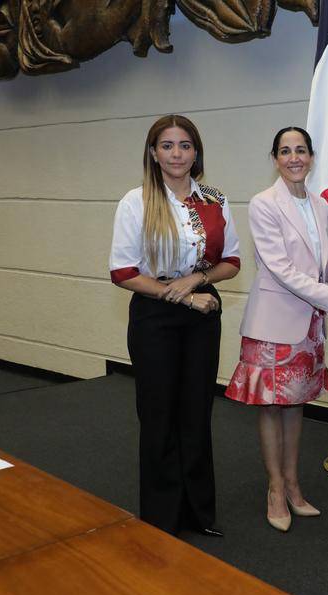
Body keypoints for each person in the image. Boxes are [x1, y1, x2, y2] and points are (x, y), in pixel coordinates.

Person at [225, 126, 328, 533]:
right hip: (273, 323)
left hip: (307, 322)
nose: (294, 158)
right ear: (275, 158)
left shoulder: (321, 204)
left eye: (301, 150)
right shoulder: (264, 203)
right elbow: (280, 268)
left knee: (296, 404)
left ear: (311, 157)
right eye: (286, 151)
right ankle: (275, 488)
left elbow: (309, 265)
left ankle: (293, 485)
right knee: (271, 407)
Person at [109, 114, 240, 536]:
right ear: (153, 153)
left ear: (196, 152)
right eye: (167, 145)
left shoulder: (215, 199)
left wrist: (195, 282)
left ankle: (199, 514)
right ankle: (162, 518)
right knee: (159, 414)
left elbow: (231, 262)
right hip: (155, 315)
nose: (177, 154)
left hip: (203, 311)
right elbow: (123, 273)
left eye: (185, 145)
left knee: (197, 412)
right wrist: (181, 294)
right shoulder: (136, 201)